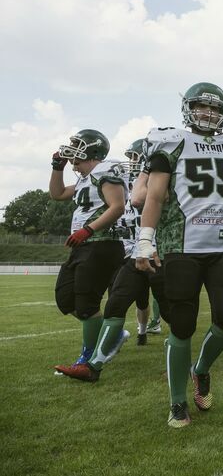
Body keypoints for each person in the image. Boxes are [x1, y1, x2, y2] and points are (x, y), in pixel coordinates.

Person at [136, 82, 223, 428]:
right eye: (202, 107)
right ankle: (177, 402)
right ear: (188, 109)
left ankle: (201, 369)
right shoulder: (171, 142)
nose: (209, 114)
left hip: (222, 247)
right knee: (182, 325)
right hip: (181, 246)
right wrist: (145, 239)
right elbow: (155, 197)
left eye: (216, 109)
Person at [55, 139, 172, 382]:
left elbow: (129, 205)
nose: (131, 163)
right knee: (93, 302)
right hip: (126, 253)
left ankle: (178, 354)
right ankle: (101, 353)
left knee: (169, 310)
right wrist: (57, 167)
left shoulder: (119, 176)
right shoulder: (94, 179)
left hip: (146, 252)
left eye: (138, 159)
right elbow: (59, 194)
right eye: (131, 157)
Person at [50, 130, 127, 375]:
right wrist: (57, 168)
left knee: (86, 303)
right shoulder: (85, 179)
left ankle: (88, 358)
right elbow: (57, 194)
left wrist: (88, 229)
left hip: (102, 243)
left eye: (77, 145)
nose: (72, 149)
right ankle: (111, 334)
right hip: (83, 246)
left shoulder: (105, 170)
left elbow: (117, 206)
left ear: (92, 149)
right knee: (65, 298)